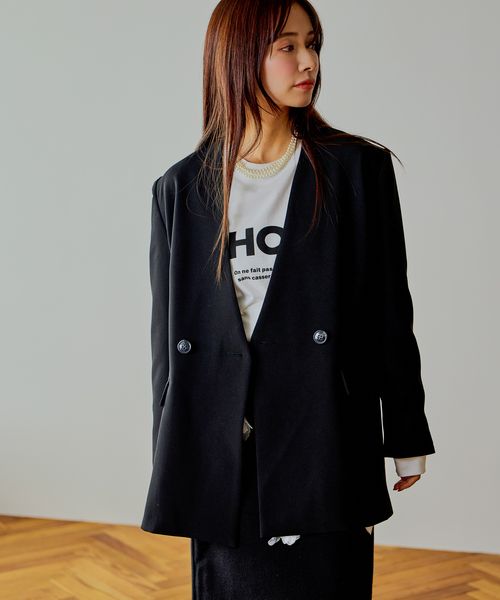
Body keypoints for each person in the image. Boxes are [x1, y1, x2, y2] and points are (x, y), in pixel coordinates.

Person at [141, 1, 436, 598]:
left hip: (324, 431)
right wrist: (171, 453)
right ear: (240, 56)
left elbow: (389, 313)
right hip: (225, 441)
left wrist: (405, 431)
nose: (309, 62)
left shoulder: (356, 169)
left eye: (313, 44)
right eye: (288, 46)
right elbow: (167, 343)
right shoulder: (181, 188)